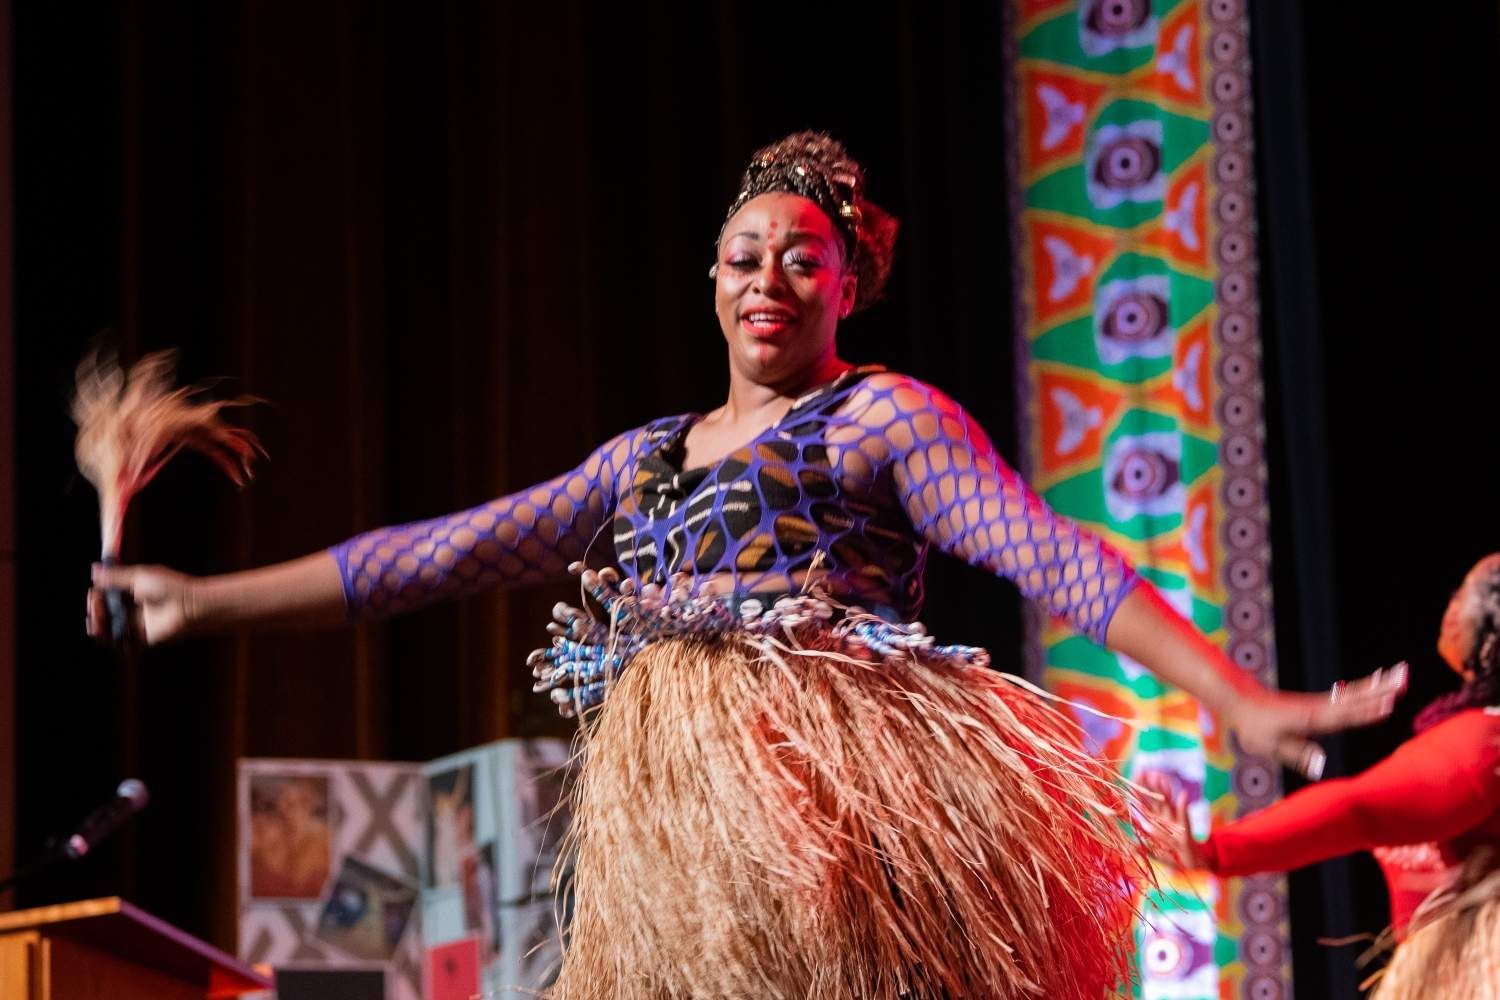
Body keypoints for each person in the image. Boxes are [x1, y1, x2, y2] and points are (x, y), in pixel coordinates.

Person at [86, 132, 1403, 999]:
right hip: (679, 834)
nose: (768, 276)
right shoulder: (644, 461)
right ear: (711, 281)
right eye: (744, 255)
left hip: (822, 802)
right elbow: (428, 557)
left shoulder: (886, 419)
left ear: (846, 287)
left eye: (801, 259)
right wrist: (198, 603)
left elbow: (1049, 554)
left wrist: (1234, 699)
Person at [1143, 553, 1500, 1000]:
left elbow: (1357, 810)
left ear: (1491, 625)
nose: (1450, 604)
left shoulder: (1483, 745)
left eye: (1463, 591)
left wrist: (1216, 851)